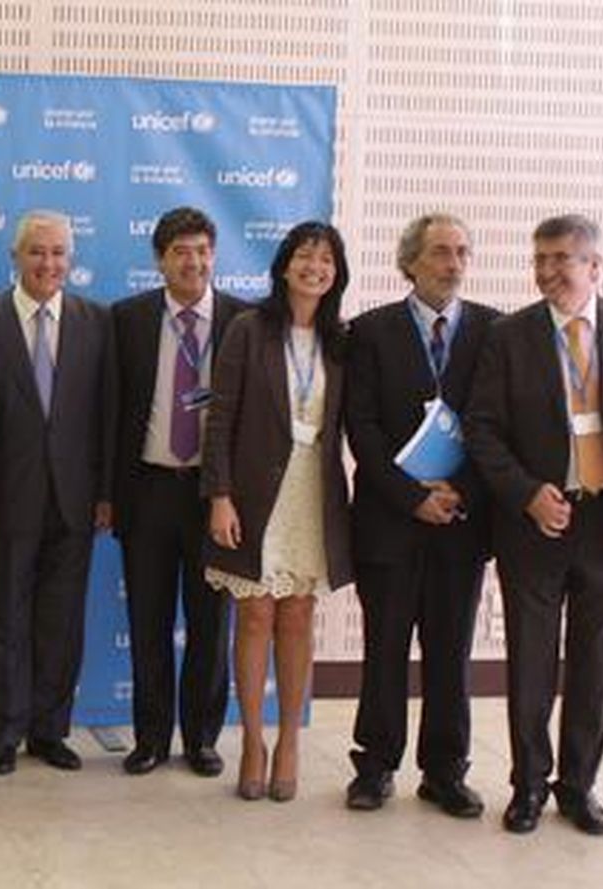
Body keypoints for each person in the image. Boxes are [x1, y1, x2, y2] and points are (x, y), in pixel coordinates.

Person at [465, 214, 603, 836]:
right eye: (540, 259)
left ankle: (578, 787)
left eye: (562, 259)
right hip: (537, 522)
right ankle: (528, 786)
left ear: (594, 266)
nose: (549, 272)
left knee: (595, 662)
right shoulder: (509, 336)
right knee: (531, 659)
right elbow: (482, 428)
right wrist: (528, 494)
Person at [344, 213, 499, 816]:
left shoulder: (494, 330)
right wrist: (414, 497)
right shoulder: (371, 331)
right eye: (439, 252)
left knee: (450, 652)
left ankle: (445, 772)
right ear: (410, 261)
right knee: (383, 649)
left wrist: (454, 491)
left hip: (462, 524)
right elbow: (363, 428)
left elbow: (495, 425)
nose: (453, 263)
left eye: (462, 251)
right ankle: (375, 767)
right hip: (389, 522)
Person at [202, 221, 353, 803]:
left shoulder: (343, 340)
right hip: (252, 493)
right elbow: (219, 418)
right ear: (285, 265)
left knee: (296, 619)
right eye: (305, 256)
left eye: (326, 260)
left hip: (312, 493)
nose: (315, 267)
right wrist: (219, 496)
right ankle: (252, 742)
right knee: (255, 619)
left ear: (336, 274)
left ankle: (290, 739)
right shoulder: (249, 329)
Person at [0, 210, 111, 776]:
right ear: (15, 257)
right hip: (4, 498)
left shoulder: (95, 322)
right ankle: (2, 734)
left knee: (61, 623)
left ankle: (50, 731)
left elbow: (110, 418)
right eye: (36, 252)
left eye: (58, 253)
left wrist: (105, 493)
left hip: (75, 501)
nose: (47, 263)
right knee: (5, 618)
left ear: (71, 261)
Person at [110, 206, 244, 778]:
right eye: (180, 251)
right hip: (149, 489)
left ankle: (202, 739)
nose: (193, 261)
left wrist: (234, 494)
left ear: (214, 256)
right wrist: (107, 494)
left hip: (215, 496)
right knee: (148, 621)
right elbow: (111, 411)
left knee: (212, 627)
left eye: (202, 250)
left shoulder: (244, 320)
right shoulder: (128, 318)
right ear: (160, 260)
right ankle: (150, 737)